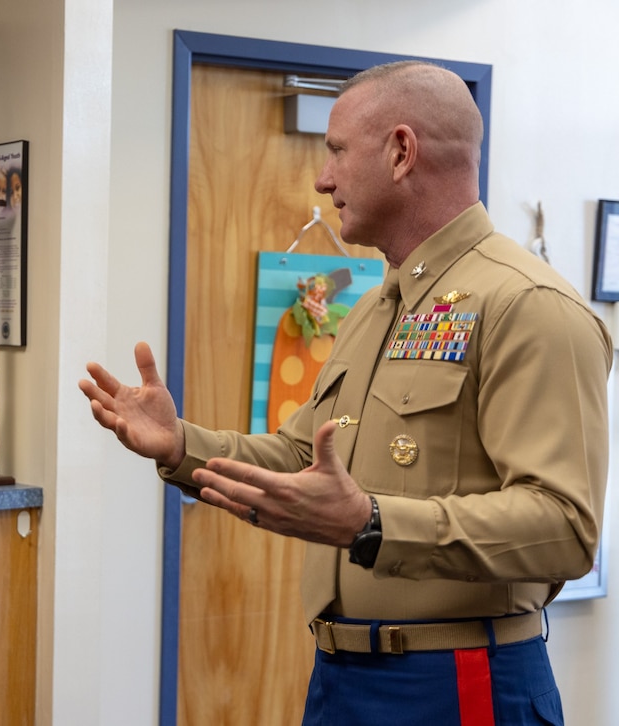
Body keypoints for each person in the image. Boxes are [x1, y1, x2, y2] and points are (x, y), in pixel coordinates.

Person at [80, 61, 611, 725]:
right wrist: (183, 446)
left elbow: (564, 527)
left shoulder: (527, 304)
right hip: (340, 678)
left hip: (457, 681)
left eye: (335, 151)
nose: (321, 178)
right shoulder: (377, 304)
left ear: (400, 151)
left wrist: (372, 523)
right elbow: (304, 456)